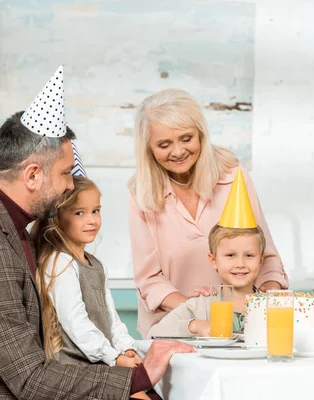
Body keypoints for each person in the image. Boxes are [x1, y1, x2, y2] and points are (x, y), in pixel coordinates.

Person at [0, 66, 194, 399]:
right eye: (63, 174)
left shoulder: (18, 232)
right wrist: (135, 379)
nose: (68, 187)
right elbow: (29, 379)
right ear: (32, 175)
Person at [129, 88, 288, 338]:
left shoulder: (233, 176)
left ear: (201, 135)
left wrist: (262, 303)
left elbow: (266, 256)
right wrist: (198, 313)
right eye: (164, 144)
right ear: (148, 148)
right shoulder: (141, 194)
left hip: (242, 328)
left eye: (186, 139)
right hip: (174, 329)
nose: (178, 151)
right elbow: (149, 279)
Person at [31, 176, 149, 392]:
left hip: (100, 360)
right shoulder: (60, 263)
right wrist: (114, 357)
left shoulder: (96, 265)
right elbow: (76, 323)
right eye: (79, 213)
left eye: (96, 210)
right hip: (75, 368)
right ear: (57, 218)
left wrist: (125, 348)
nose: (92, 220)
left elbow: (111, 319)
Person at [148, 169, 263, 337]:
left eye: (249, 255)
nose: (240, 263)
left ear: (261, 260)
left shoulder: (272, 305)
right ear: (213, 260)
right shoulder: (199, 306)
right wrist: (194, 325)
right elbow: (155, 333)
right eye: (230, 255)